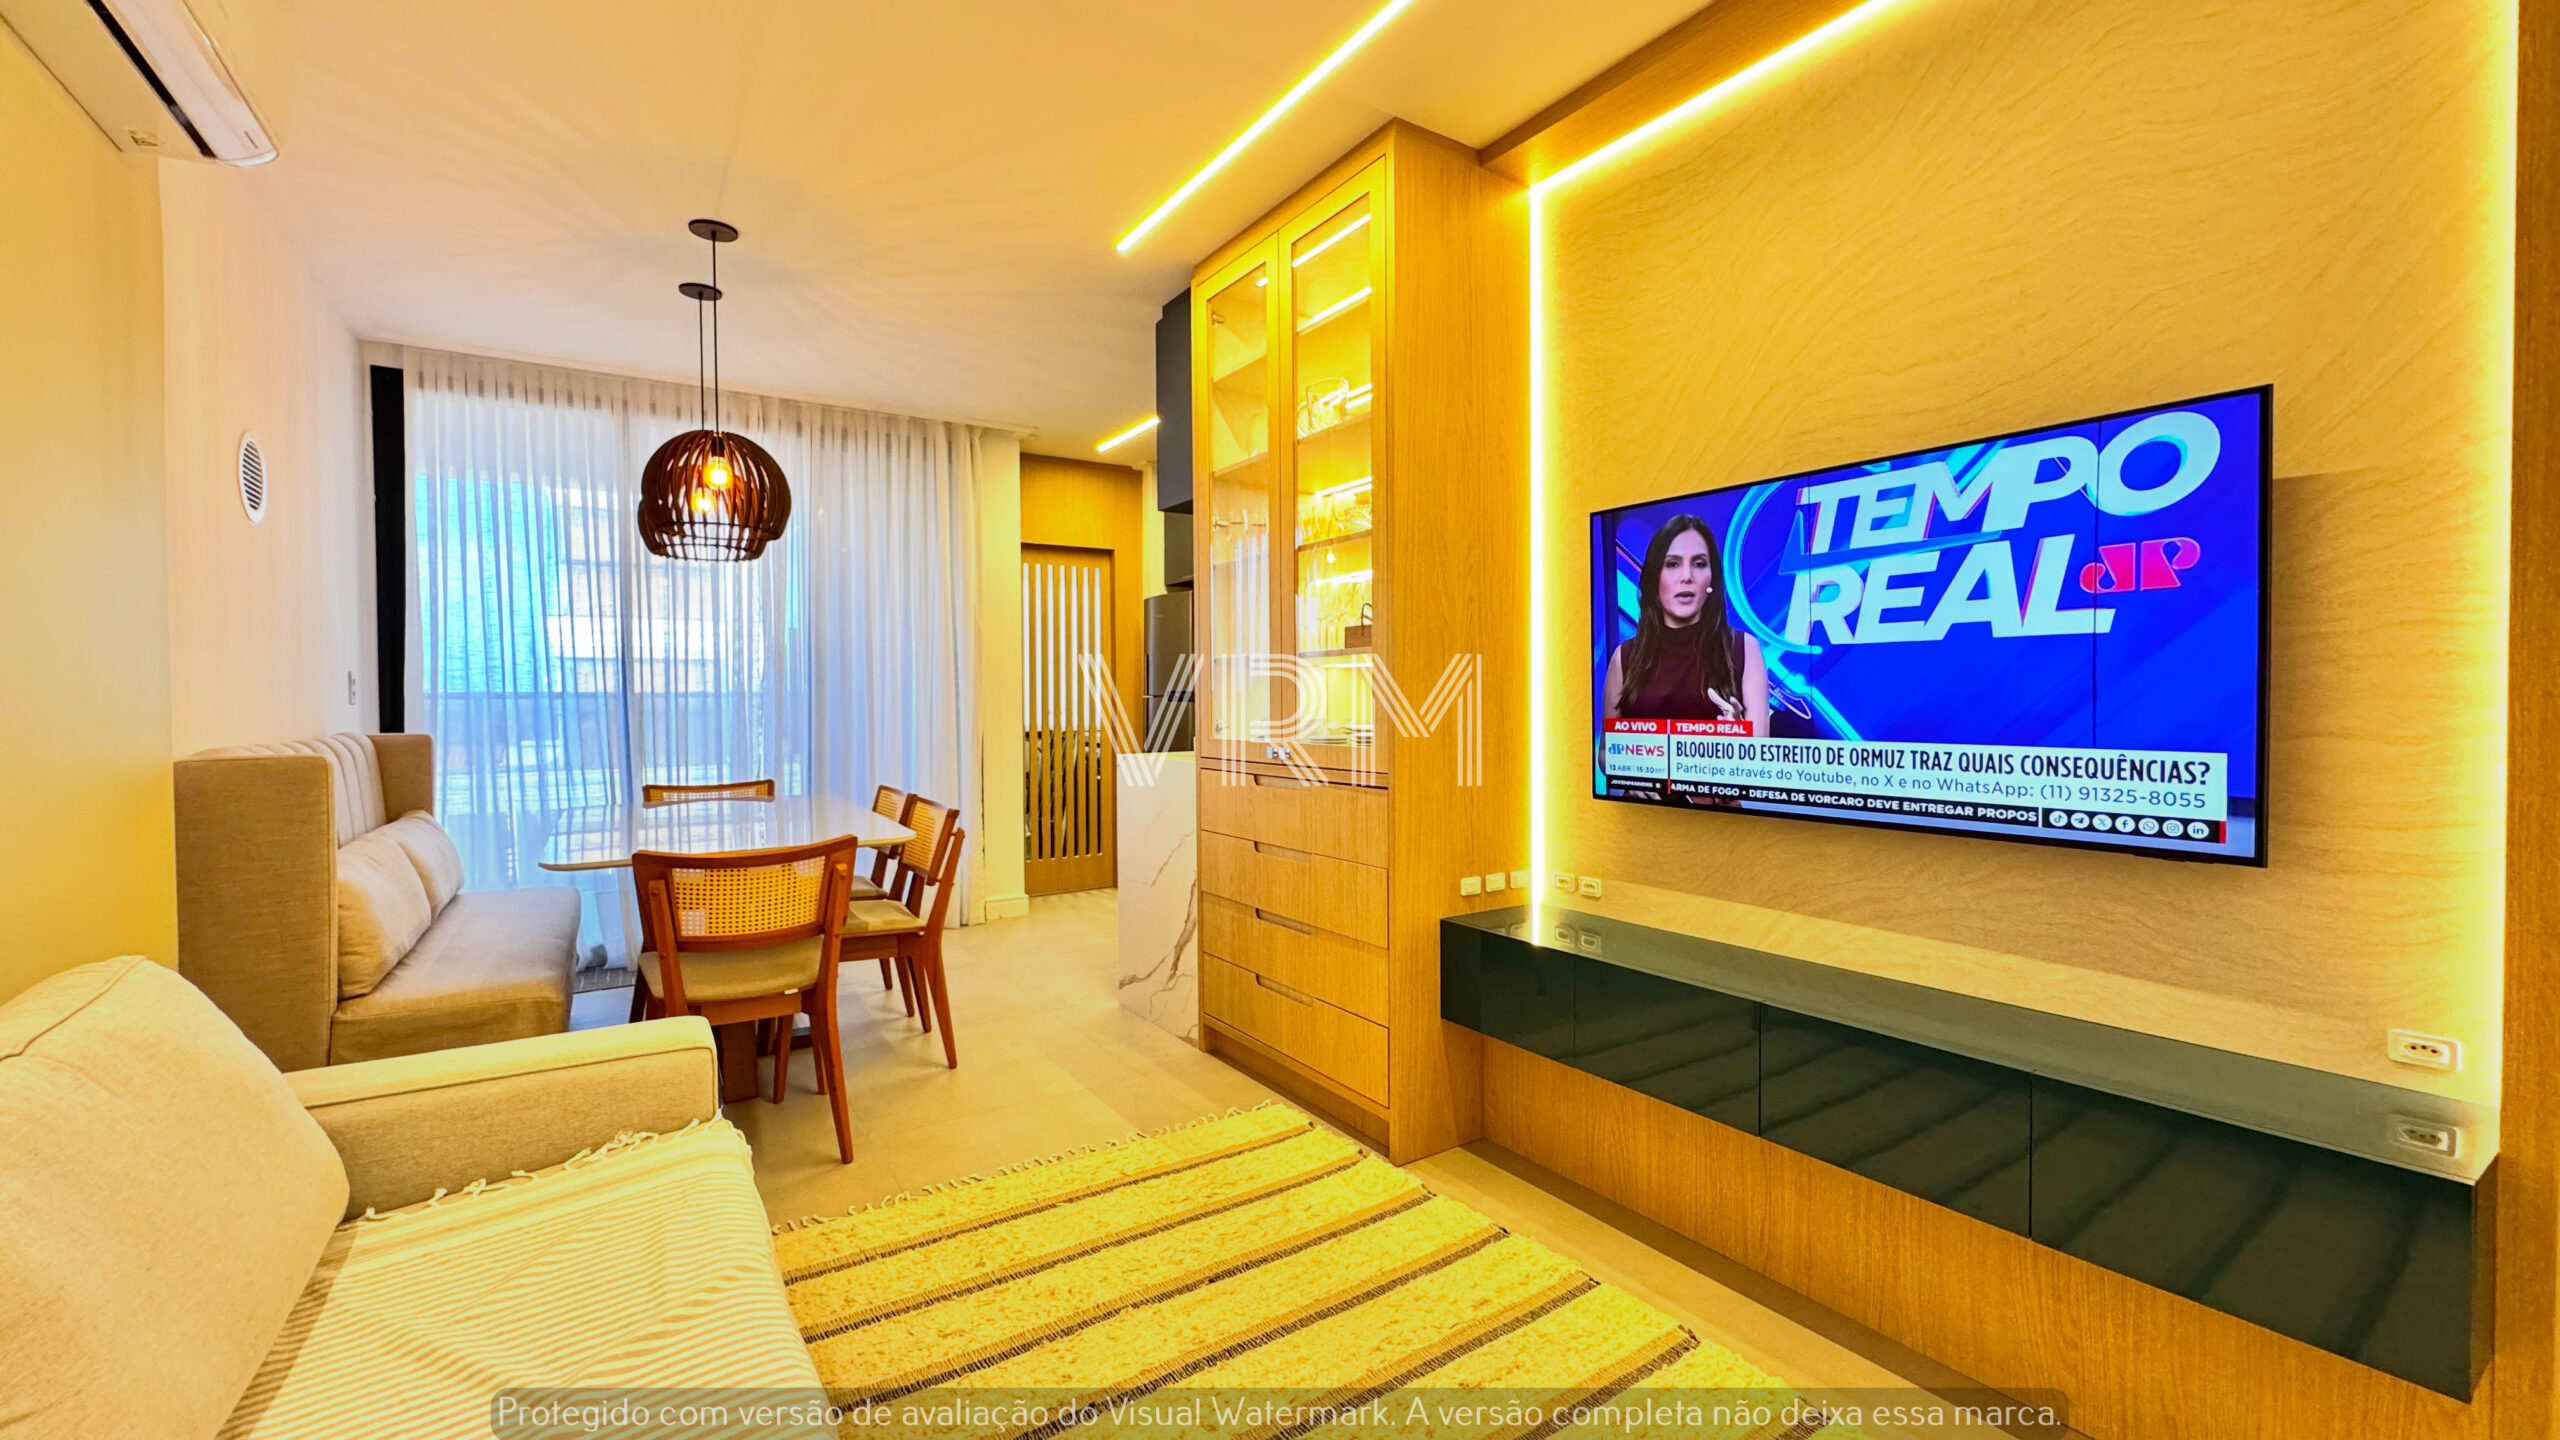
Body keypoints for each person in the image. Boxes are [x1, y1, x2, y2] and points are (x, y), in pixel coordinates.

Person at [1601, 514, 1769, 732]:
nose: (1687, 576)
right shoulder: (1624, 658)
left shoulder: (1745, 649)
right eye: (1672, 564)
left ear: (1712, 579)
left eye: (1699, 564)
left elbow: (1760, 745)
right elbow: (1607, 748)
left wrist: (1737, 738)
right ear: (1654, 578)